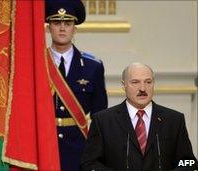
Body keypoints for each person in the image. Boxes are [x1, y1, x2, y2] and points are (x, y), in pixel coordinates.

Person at [81, 63, 198, 170]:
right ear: (124, 85)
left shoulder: (174, 120)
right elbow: (89, 163)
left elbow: (188, 162)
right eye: (135, 82)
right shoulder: (103, 121)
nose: (142, 88)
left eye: (148, 82)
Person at [45, 0, 108, 170]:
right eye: (57, 22)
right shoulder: (36, 65)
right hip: (43, 144)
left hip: (79, 147)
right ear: (48, 27)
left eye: (68, 23)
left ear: (75, 29)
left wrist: (96, 154)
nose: (62, 27)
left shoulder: (92, 66)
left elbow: (99, 116)